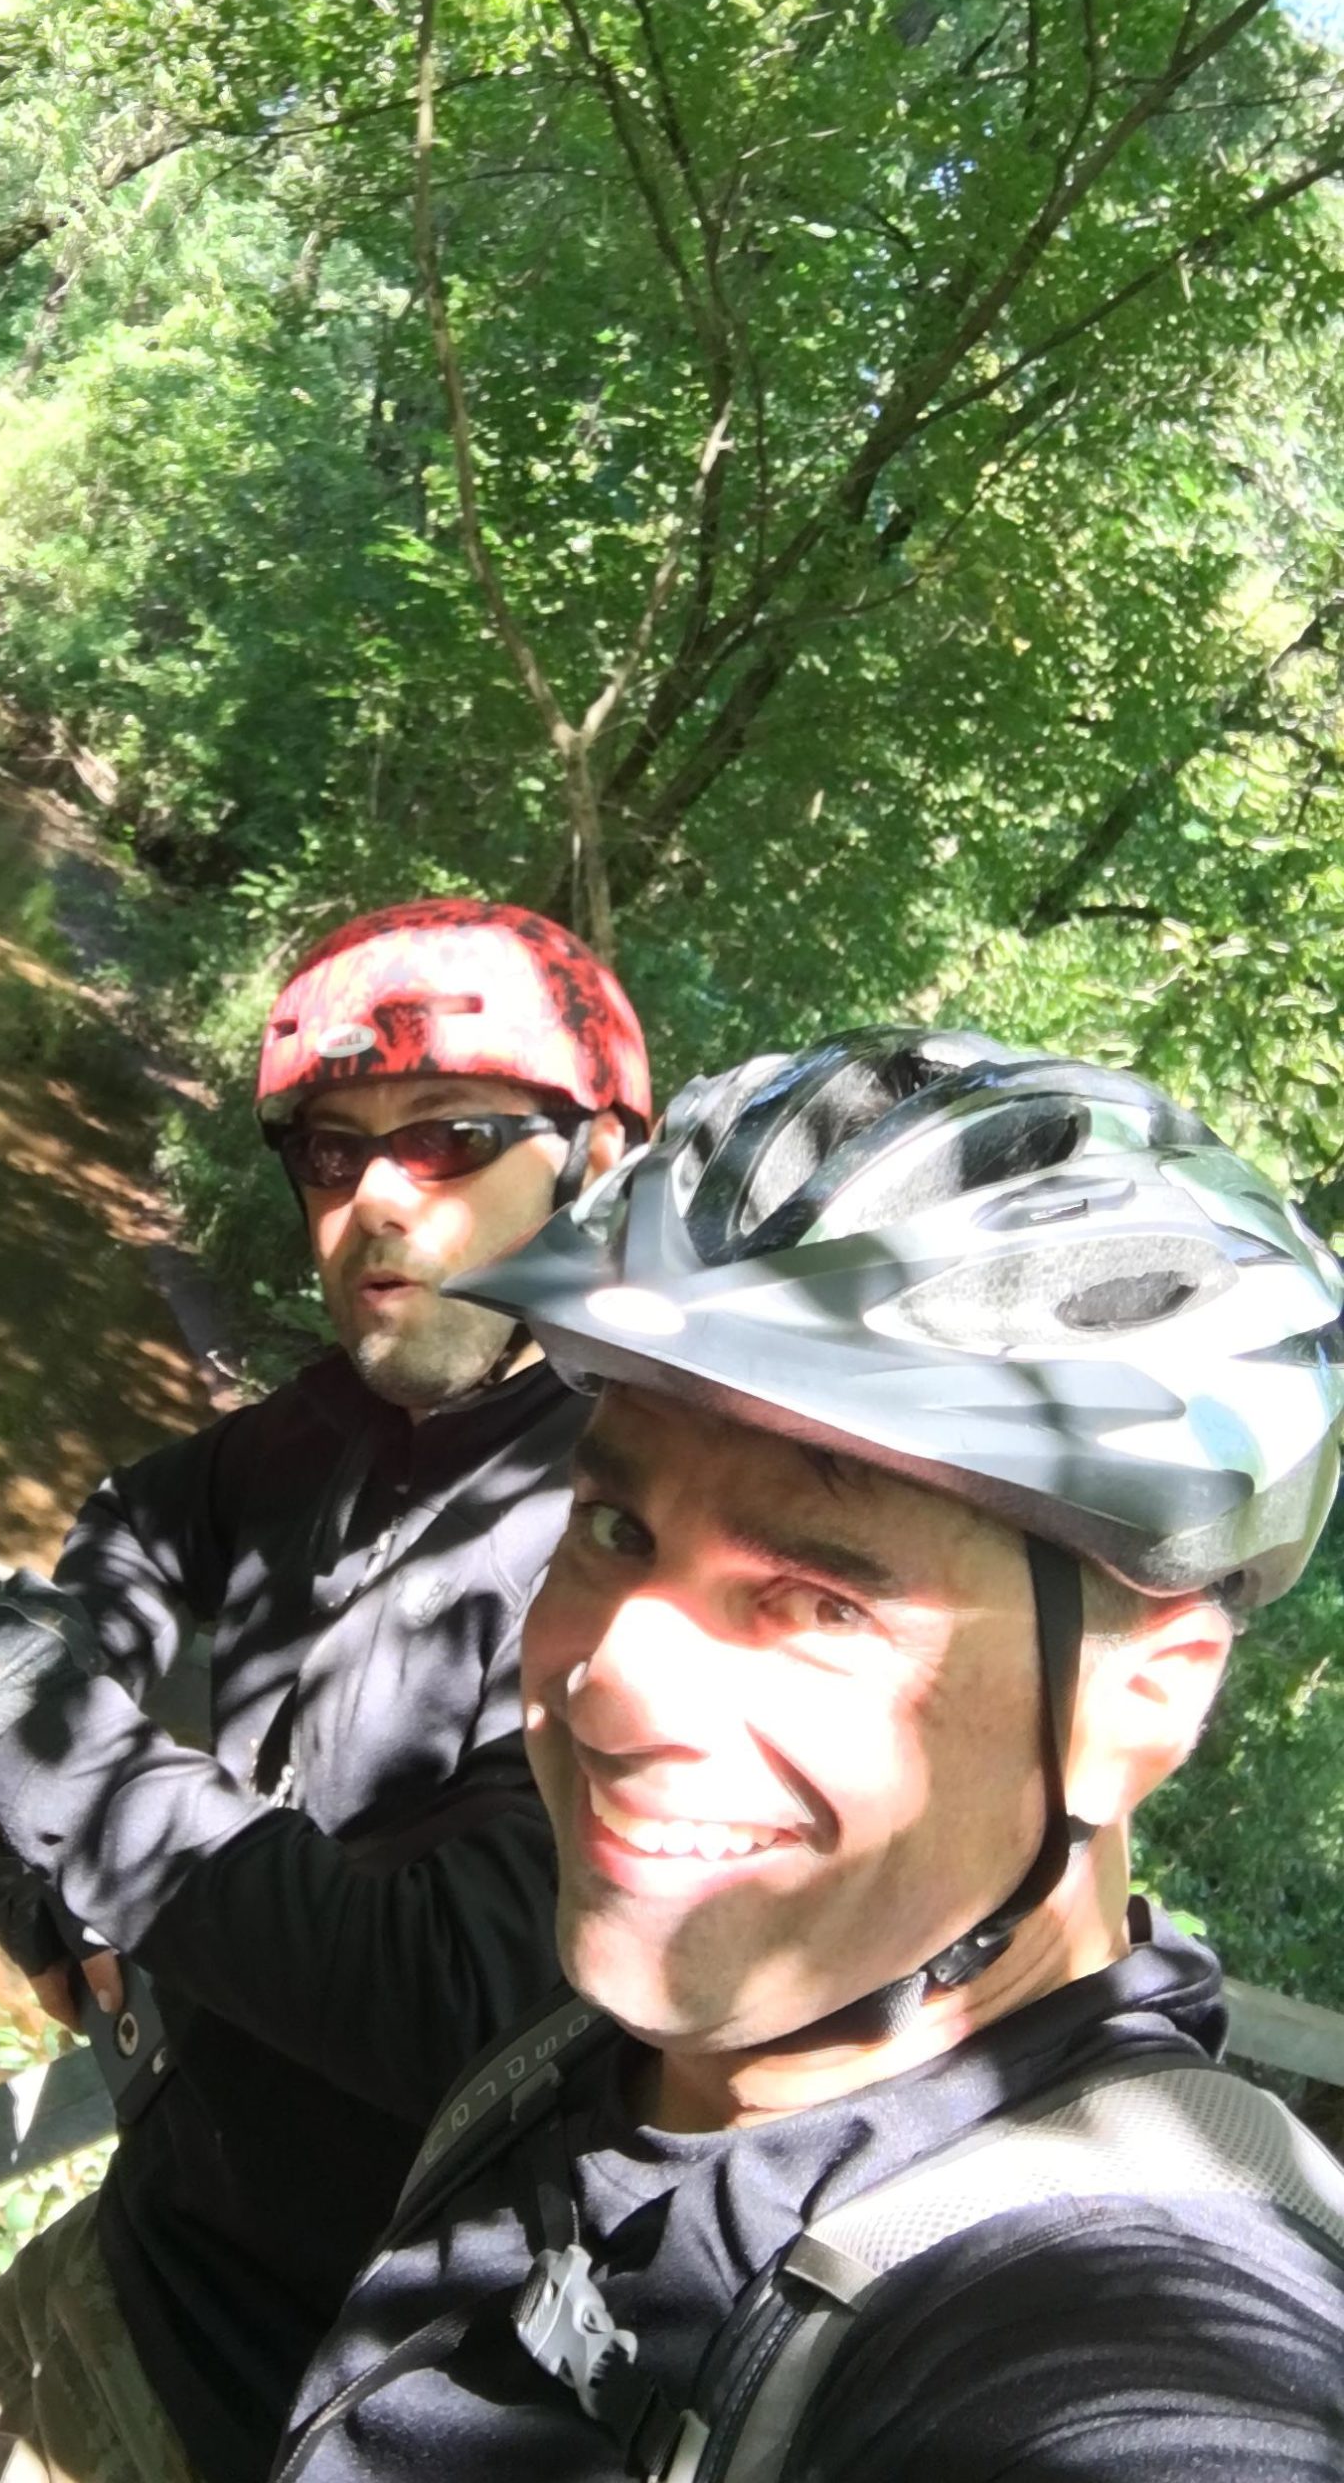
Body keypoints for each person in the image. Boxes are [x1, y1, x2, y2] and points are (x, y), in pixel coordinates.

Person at [274, 1027, 1344, 2483]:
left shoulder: (1135, 2305)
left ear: (1139, 1704)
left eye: (819, 1601)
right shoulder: (617, 2052)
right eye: (615, 1531)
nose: (607, 1684)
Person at [0, 899, 652, 2483]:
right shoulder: (360, 1411)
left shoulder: (638, 1530)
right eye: (332, 1156)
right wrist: (49, 1854)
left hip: (296, 2413)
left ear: (602, 1158)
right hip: (134, 2252)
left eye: (454, 1139)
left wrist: (36, 1740)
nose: (373, 1208)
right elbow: (152, 1514)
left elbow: (455, 1998)